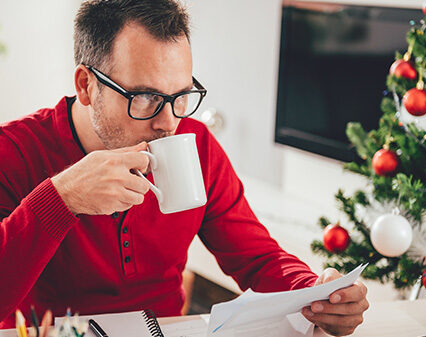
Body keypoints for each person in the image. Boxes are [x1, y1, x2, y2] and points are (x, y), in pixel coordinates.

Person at [0, 0, 368, 335]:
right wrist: (61, 198)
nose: (168, 122)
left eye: (181, 97)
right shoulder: (13, 151)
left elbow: (257, 257)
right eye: (145, 97)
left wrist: (317, 293)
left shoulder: (197, 143)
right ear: (86, 85)